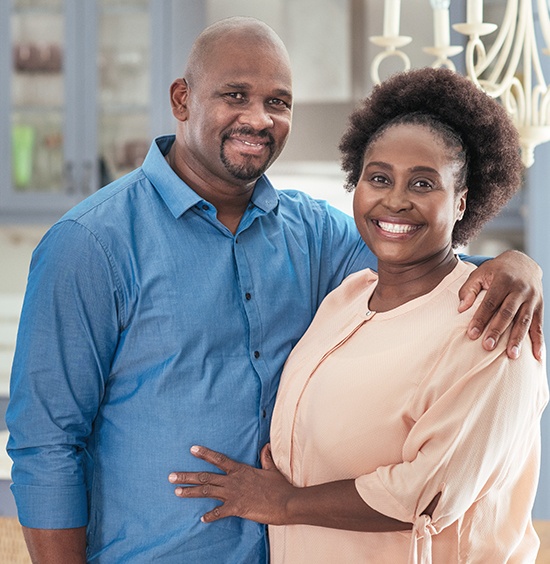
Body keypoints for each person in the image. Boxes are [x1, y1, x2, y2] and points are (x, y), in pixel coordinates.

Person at [5, 17, 543, 564]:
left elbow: (420, 264)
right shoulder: (90, 244)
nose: (258, 119)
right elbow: (46, 446)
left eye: (278, 102)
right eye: (235, 95)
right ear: (182, 98)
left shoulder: (312, 234)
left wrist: (518, 266)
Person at [169, 67, 549, 563]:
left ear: (461, 203)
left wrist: (284, 501)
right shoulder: (349, 296)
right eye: (379, 178)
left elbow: (426, 495)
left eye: (423, 183)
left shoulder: (492, 329)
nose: (395, 199)